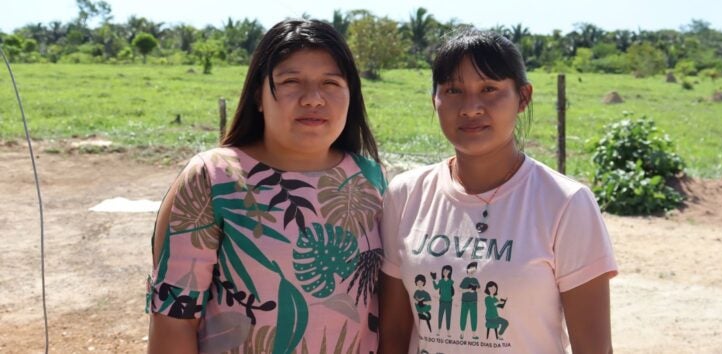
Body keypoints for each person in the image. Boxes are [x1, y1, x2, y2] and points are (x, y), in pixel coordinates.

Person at [147, 19, 386, 354]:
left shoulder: (371, 178)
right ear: (258, 96)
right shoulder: (213, 177)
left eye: (331, 83)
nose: (313, 99)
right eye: (291, 82)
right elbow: (175, 316)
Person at [379, 29, 617, 353]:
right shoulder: (405, 196)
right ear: (434, 99)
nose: (471, 107)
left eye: (489, 89)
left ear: (523, 98)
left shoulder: (565, 203)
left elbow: (594, 349)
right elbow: (393, 334)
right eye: (453, 90)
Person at [431, 264, 454, 336]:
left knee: (448, 316)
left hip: (449, 302)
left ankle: (448, 331)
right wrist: (433, 279)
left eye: (447, 270)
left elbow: (452, 291)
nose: (445, 272)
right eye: (444, 271)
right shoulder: (441, 281)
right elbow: (436, 287)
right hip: (442, 301)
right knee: (440, 316)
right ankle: (439, 330)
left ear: (450, 272)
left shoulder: (451, 282)